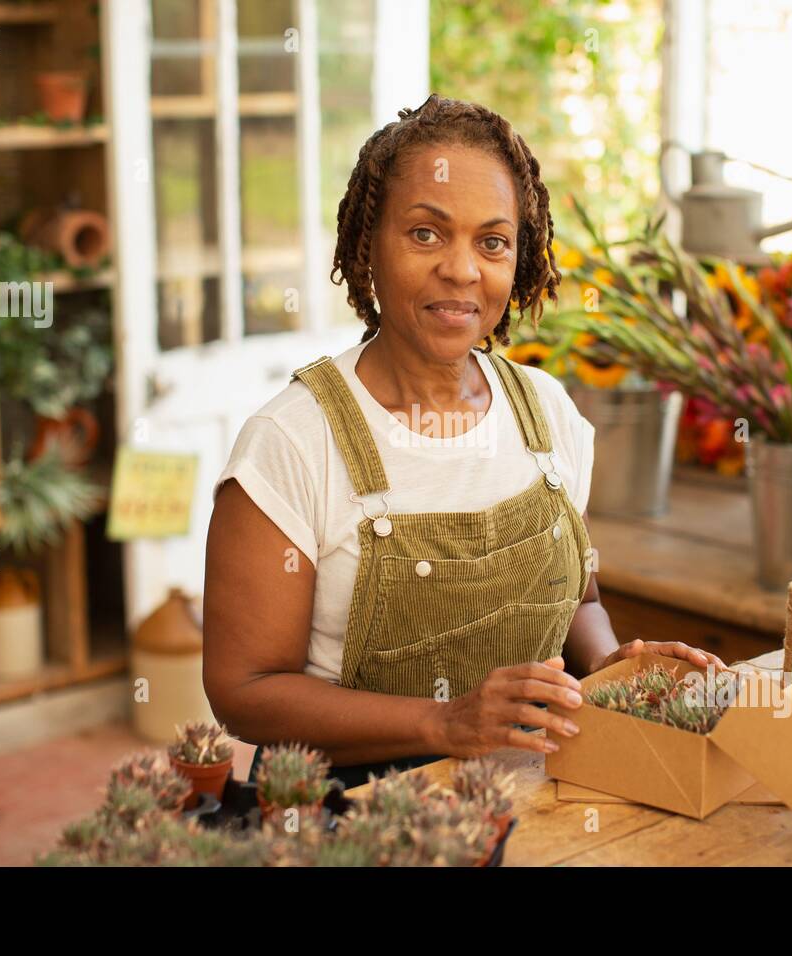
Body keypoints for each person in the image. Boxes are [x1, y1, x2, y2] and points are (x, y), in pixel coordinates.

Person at [203, 95, 724, 787]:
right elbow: (245, 692)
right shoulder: (293, 443)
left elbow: (580, 601)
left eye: (492, 242)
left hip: (536, 799)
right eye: (425, 234)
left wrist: (605, 667)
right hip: (352, 819)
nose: (461, 269)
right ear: (369, 248)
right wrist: (444, 724)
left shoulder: (548, 415)